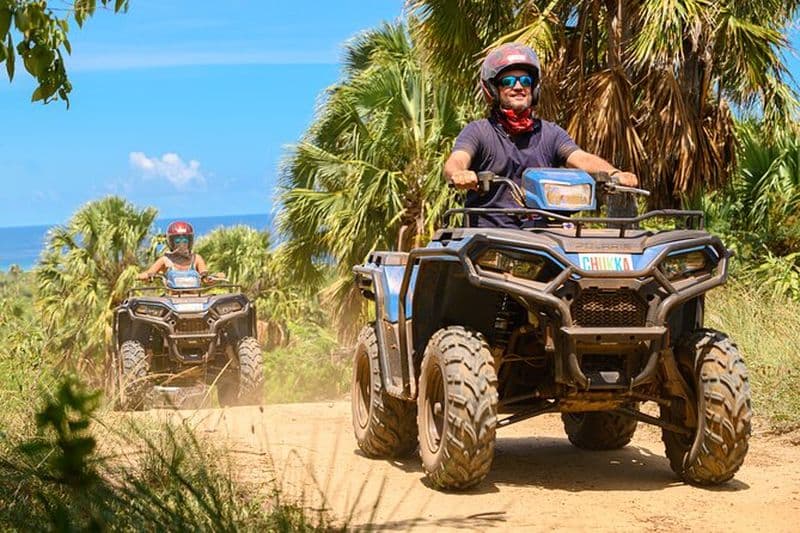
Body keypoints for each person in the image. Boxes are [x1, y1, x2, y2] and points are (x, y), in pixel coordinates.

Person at [444, 42, 638, 227]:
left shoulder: (550, 133)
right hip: (489, 237)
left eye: (525, 81)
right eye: (508, 81)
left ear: (534, 88)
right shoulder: (479, 131)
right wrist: (460, 174)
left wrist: (614, 174)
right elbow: (457, 160)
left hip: (542, 234)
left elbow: (581, 158)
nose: (518, 87)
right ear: (493, 89)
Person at [137, 220, 211, 281]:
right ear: (171, 242)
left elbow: (205, 278)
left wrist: (213, 278)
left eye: (185, 240)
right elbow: (149, 273)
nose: (182, 244)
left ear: (190, 242)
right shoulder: (165, 260)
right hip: (172, 297)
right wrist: (142, 276)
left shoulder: (196, 259)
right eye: (178, 241)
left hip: (195, 296)